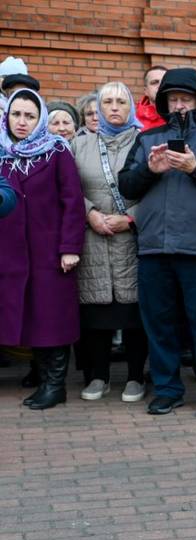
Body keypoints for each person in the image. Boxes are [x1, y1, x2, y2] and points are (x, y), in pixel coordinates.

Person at [118, 67, 196, 417]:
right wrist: (150, 170)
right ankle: (167, 389)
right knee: (159, 324)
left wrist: (194, 168)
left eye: (185, 98)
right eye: (172, 99)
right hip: (154, 249)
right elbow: (127, 186)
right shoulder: (147, 139)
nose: (179, 105)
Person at [0, 88, 86, 410]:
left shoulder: (57, 151)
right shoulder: (1, 152)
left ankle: (55, 385)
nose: (22, 122)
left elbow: (72, 202)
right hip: (10, 253)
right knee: (30, 318)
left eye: (30, 116)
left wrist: (69, 247)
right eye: (16, 114)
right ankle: (41, 379)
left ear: (41, 120)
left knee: (52, 318)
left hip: (49, 252)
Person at [71, 81, 148, 403]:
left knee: (133, 313)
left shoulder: (144, 142)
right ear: (97, 109)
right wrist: (89, 214)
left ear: (130, 107)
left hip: (131, 239)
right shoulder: (79, 144)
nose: (114, 108)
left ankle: (134, 377)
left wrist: (131, 217)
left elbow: (156, 190)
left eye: (120, 102)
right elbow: (70, 189)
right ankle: (98, 376)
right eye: (107, 102)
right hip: (93, 238)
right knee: (95, 314)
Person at [136, 66, 167, 130]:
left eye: (164, 82)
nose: (160, 86)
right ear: (146, 91)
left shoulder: (182, 116)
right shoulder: (134, 122)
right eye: (154, 82)